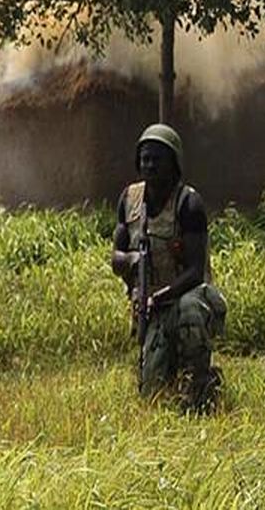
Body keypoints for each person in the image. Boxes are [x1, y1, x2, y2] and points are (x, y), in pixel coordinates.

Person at [111, 124, 227, 411]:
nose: (148, 166)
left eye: (156, 159)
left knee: (188, 311)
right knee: (152, 392)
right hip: (152, 307)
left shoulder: (188, 203)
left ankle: (201, 388)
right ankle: (177, 373)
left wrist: (161, 296)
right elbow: (116, 258)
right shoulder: (129, 200)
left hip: (189, 297)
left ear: (173, 164)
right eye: (144, 159)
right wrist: (131, 261)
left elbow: (195, 270)